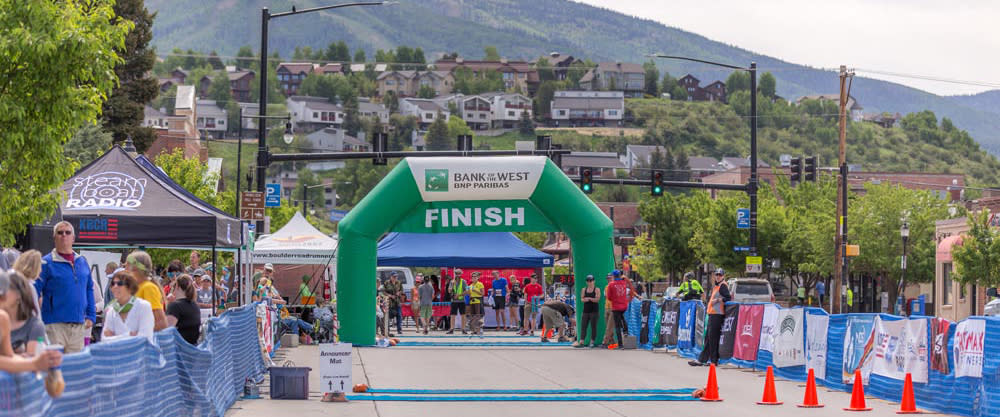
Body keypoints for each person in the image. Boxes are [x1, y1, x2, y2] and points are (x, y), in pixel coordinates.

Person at [34, 221, 96, 354]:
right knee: (55, 369)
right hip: (53, 325)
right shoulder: (45, 263)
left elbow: (89, 288)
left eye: (67, 232)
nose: (64, 235)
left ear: (73, 238)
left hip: (79, 325)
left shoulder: (82, 261)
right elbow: (33, 291)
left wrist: (91, 315)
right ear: (54, 237)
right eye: (60, 232)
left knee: (75, 369)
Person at [0, 271, 62, 373]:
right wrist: (33, 363)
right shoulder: (3, 318)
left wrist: (32, 361)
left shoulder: (4, 319)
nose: (4, 294)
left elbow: (8, 356)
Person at [690, 268, 732, 366]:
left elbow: (728, 297)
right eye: (716, 274)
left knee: (713, 338)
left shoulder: (723, 286)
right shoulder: (716, 286)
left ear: (723, 276)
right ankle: (703, 359)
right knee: (708, 338)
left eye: (720, 275)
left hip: (717, 315)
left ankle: (713, 361)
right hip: (712, 314)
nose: (718, 276)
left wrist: (718, 300)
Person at [1, 270, 45, 356]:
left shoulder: (34, 326)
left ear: (19, 294)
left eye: (6, 289)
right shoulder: (2, 319)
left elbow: (32, 361)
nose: (2, 293)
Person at [103, 271, 155, 343]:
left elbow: (145, 338)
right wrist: (129, 335)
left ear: (130, 287)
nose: (115, 286)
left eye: (120, 284)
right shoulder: (111, 311)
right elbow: (104, 340)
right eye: (112, 284)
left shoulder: (143, 306)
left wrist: (114, 337)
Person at [125, 251, 169, 332]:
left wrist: (137, 333)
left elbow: (160, 323)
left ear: (135, 268)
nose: (125, 269)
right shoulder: (136, 288)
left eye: (127, 265)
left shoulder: (148, 288)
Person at [165, 275, 201, 345]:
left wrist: (168, 303)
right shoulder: (195, 305)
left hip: (179, 349)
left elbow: (166, 331)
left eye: (173, 288)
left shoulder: (175, 306)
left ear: (177, 286)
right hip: (193, 348)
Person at [12, 249, 43, 314]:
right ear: (35, 267)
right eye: (40, 266)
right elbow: (36, 315)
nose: (41, 270)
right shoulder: (29, 288)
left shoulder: (10, 280)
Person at [607, 270, 631, 349]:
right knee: (621, 316)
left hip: (616, 307)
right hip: (624, 306)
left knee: (617, 326)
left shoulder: (611, 285)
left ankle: (620, 344)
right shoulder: (624, 283)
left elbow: (609, 297)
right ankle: (625, 330)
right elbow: (627, 281)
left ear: (613, 276)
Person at [575, 275, 601, 348]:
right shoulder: (584, 289)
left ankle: (592, 342)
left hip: (594, 311)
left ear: (594, 281)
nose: (590, 282)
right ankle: (581, 341)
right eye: (588, 281)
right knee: (583, 326)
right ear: (586, 282)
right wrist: (587, 299)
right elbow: (582, 299)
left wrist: (589, 298)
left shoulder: (597, 289)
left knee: (593, 327)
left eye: (591, 281)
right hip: (585, 311)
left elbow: (597, 299)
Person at [446, 269, 469, 334]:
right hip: (454, 301)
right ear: (455, 274)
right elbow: (449, 291)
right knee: (452, 315)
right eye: (456, 273)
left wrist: (459, 295)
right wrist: (452, 285)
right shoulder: (452, 281)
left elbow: (467, 291)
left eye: (459, 273)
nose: (458, 275)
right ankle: (451, 329)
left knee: (463, 315)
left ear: (461, 274)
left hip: (461, 300)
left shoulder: (463, 281)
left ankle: (463, 329)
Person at [468, 272, 485, 337]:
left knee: (478, 316)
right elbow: (469, 294)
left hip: (478, 301)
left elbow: (482, 293)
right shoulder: (470, 285)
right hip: (472, 301)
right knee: (472, 316)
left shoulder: (480, 284)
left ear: (477, 278)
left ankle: (479, 330)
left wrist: (475, 290)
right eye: (473, 277)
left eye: (475, 277)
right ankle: (474, 330)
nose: (474, 278)